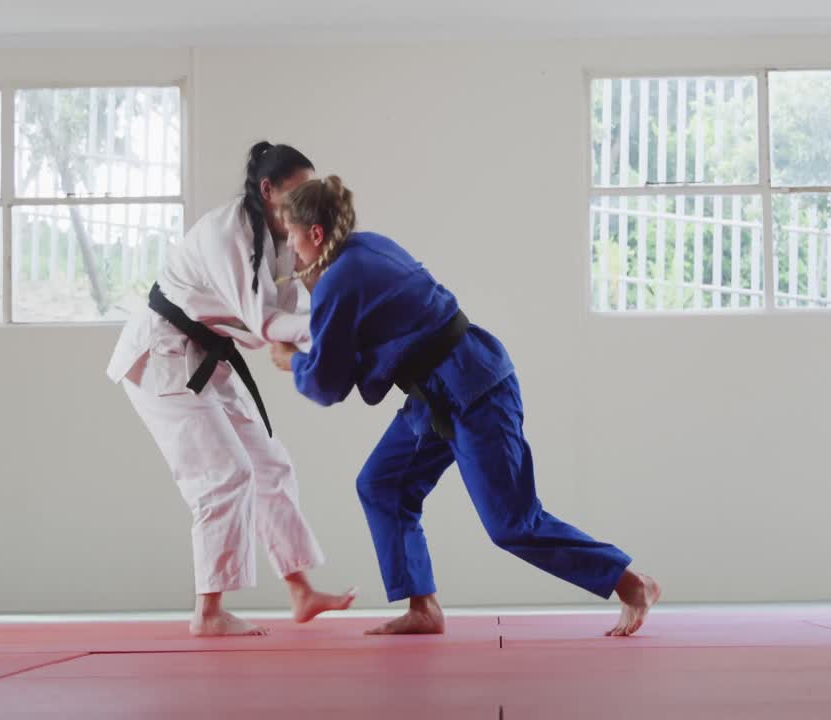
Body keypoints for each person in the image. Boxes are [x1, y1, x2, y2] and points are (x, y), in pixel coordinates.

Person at [269, 176, 660, 637]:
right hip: (437, 393)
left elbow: (327, 384)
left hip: (475, 388)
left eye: (292, 237)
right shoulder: (367, 248)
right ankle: (424, 608)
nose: (290, 250)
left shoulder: (339, 278)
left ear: (315, 234)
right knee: (383, 485)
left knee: (511, 522)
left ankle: (631, 583)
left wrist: (293, 361)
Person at [107, 143, 355, 637]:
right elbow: (264, 323)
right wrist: (329, 327)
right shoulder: (229, 233)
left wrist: (343, 309)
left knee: (270, 464)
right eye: (297, 190)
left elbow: (300, 298)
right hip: (162, 357)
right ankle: (208, 612)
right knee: (224, 475)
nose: (304, 199)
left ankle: (300, 591)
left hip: (206, 357)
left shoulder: (282, 236)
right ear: (268, 190)